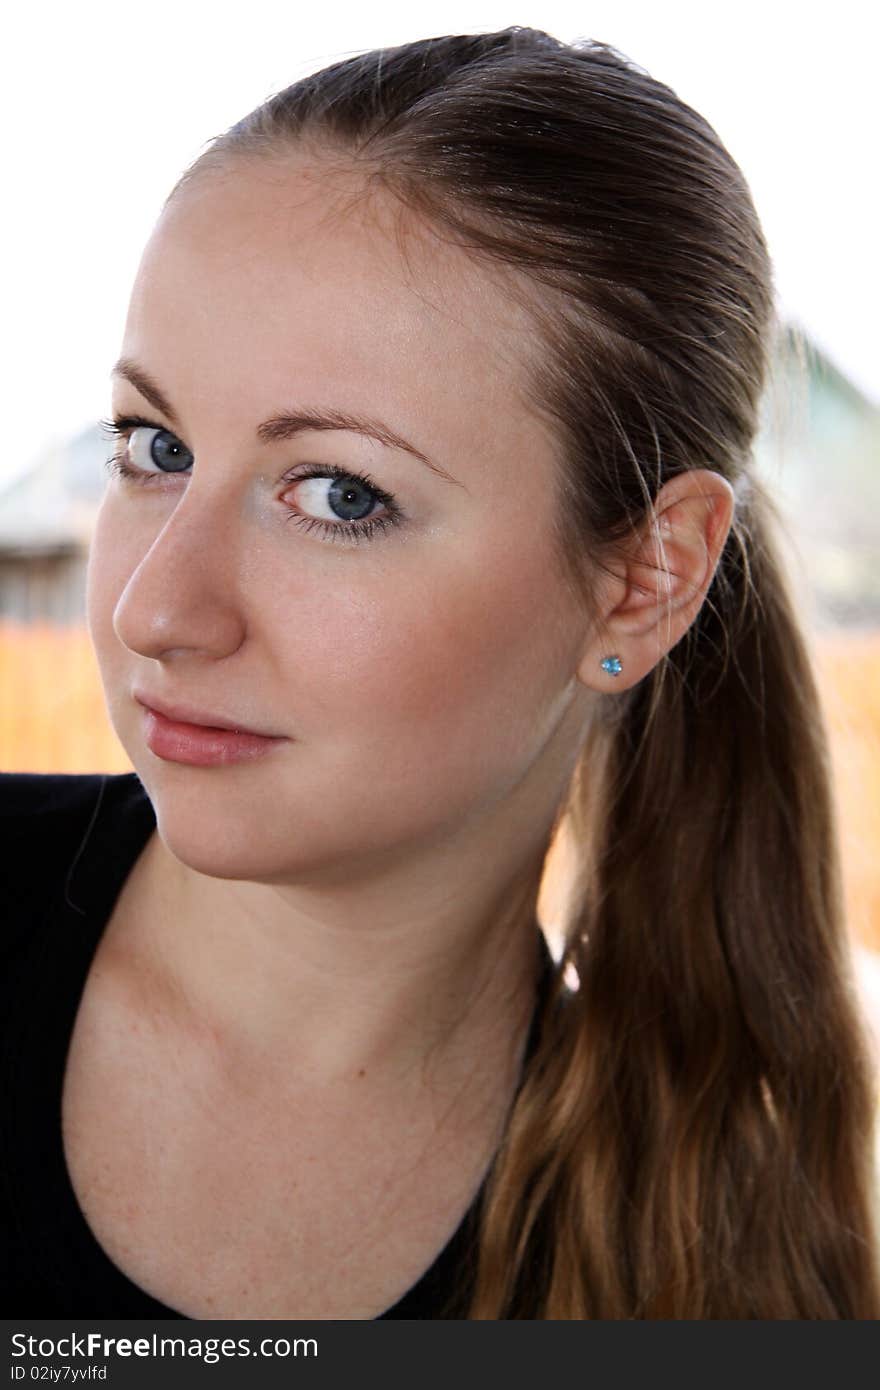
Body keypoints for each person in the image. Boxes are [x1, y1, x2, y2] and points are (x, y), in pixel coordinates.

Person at [2, 26, 878, 1320]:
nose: (151, 607)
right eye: (155, 447)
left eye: (340, 493)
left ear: (647, 576)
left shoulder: (712, 1277)